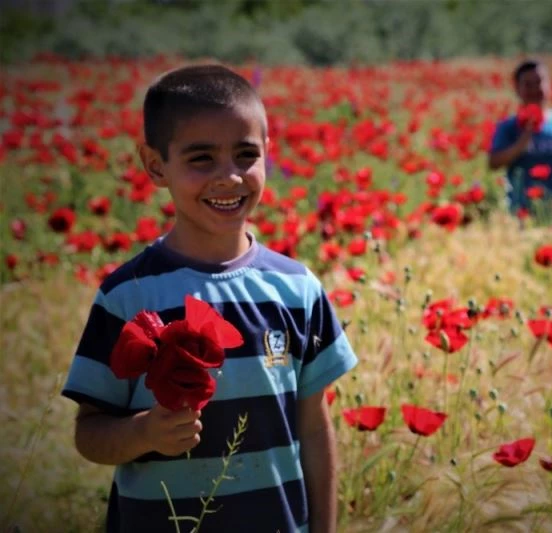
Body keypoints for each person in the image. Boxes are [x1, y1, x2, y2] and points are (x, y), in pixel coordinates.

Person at [61, 64, 358, 533]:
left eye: (246, 155)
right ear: (156, 165)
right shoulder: (128, 294)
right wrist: (143, 433)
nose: (230, 177)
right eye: (202, 158)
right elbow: (89, 433)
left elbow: (315, 430)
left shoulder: (298, 290)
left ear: (267, 155)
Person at [488, 59, 552, 218]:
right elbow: (493, 162)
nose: (535, 89)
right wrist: (522, 143)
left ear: (548, 85)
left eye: (539, 82)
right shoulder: (508, 126)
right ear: (517, 88)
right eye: (528, 84)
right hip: (521, 210)